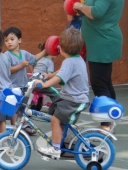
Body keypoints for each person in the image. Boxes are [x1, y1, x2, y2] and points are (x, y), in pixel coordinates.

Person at [34, 27, 90, 158]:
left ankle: (56, 149)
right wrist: (49, 75)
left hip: (74, 100)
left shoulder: (69, 62)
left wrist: (44, 84)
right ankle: (62, 140)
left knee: (55, 120)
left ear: (62, 49)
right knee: (56, 113)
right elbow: (61, 72)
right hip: (73, 98)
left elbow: (60, 77)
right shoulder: (77, 59)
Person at [73, 0, 124, 132]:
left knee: (99, 84)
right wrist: (79, 9)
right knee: (105, 82)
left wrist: (79, 6)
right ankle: (110, 120)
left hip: (103, 43)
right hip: (99, 41)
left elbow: (96, 12)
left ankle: (106, 125)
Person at [3, 27, 58, 135]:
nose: (9, 42)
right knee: (15, 107)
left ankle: (23, 125)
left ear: (19, 40)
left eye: (11, 39)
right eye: (6, 40)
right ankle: (15, 127)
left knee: (22, 107)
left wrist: (46, 50)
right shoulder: (6, 56)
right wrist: (21, 65)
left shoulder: (24, 53)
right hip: (12, 87)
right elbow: (8, 71)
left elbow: (34, 58)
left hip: (23, 86)